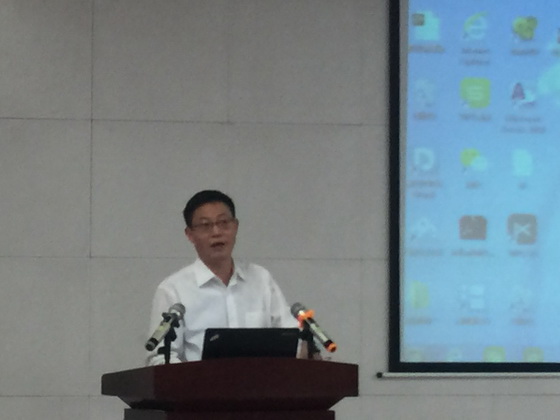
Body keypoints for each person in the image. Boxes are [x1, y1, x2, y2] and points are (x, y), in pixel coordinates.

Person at [146, 189, 298, 365]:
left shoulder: (261, 279)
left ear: (235, 227)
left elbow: (292, 337)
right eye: (205, 225)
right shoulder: (173, 290)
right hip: (201, 382)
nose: (216, 232)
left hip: (261, 381)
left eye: (224, 222)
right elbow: (160, 357)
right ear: (190, 235)